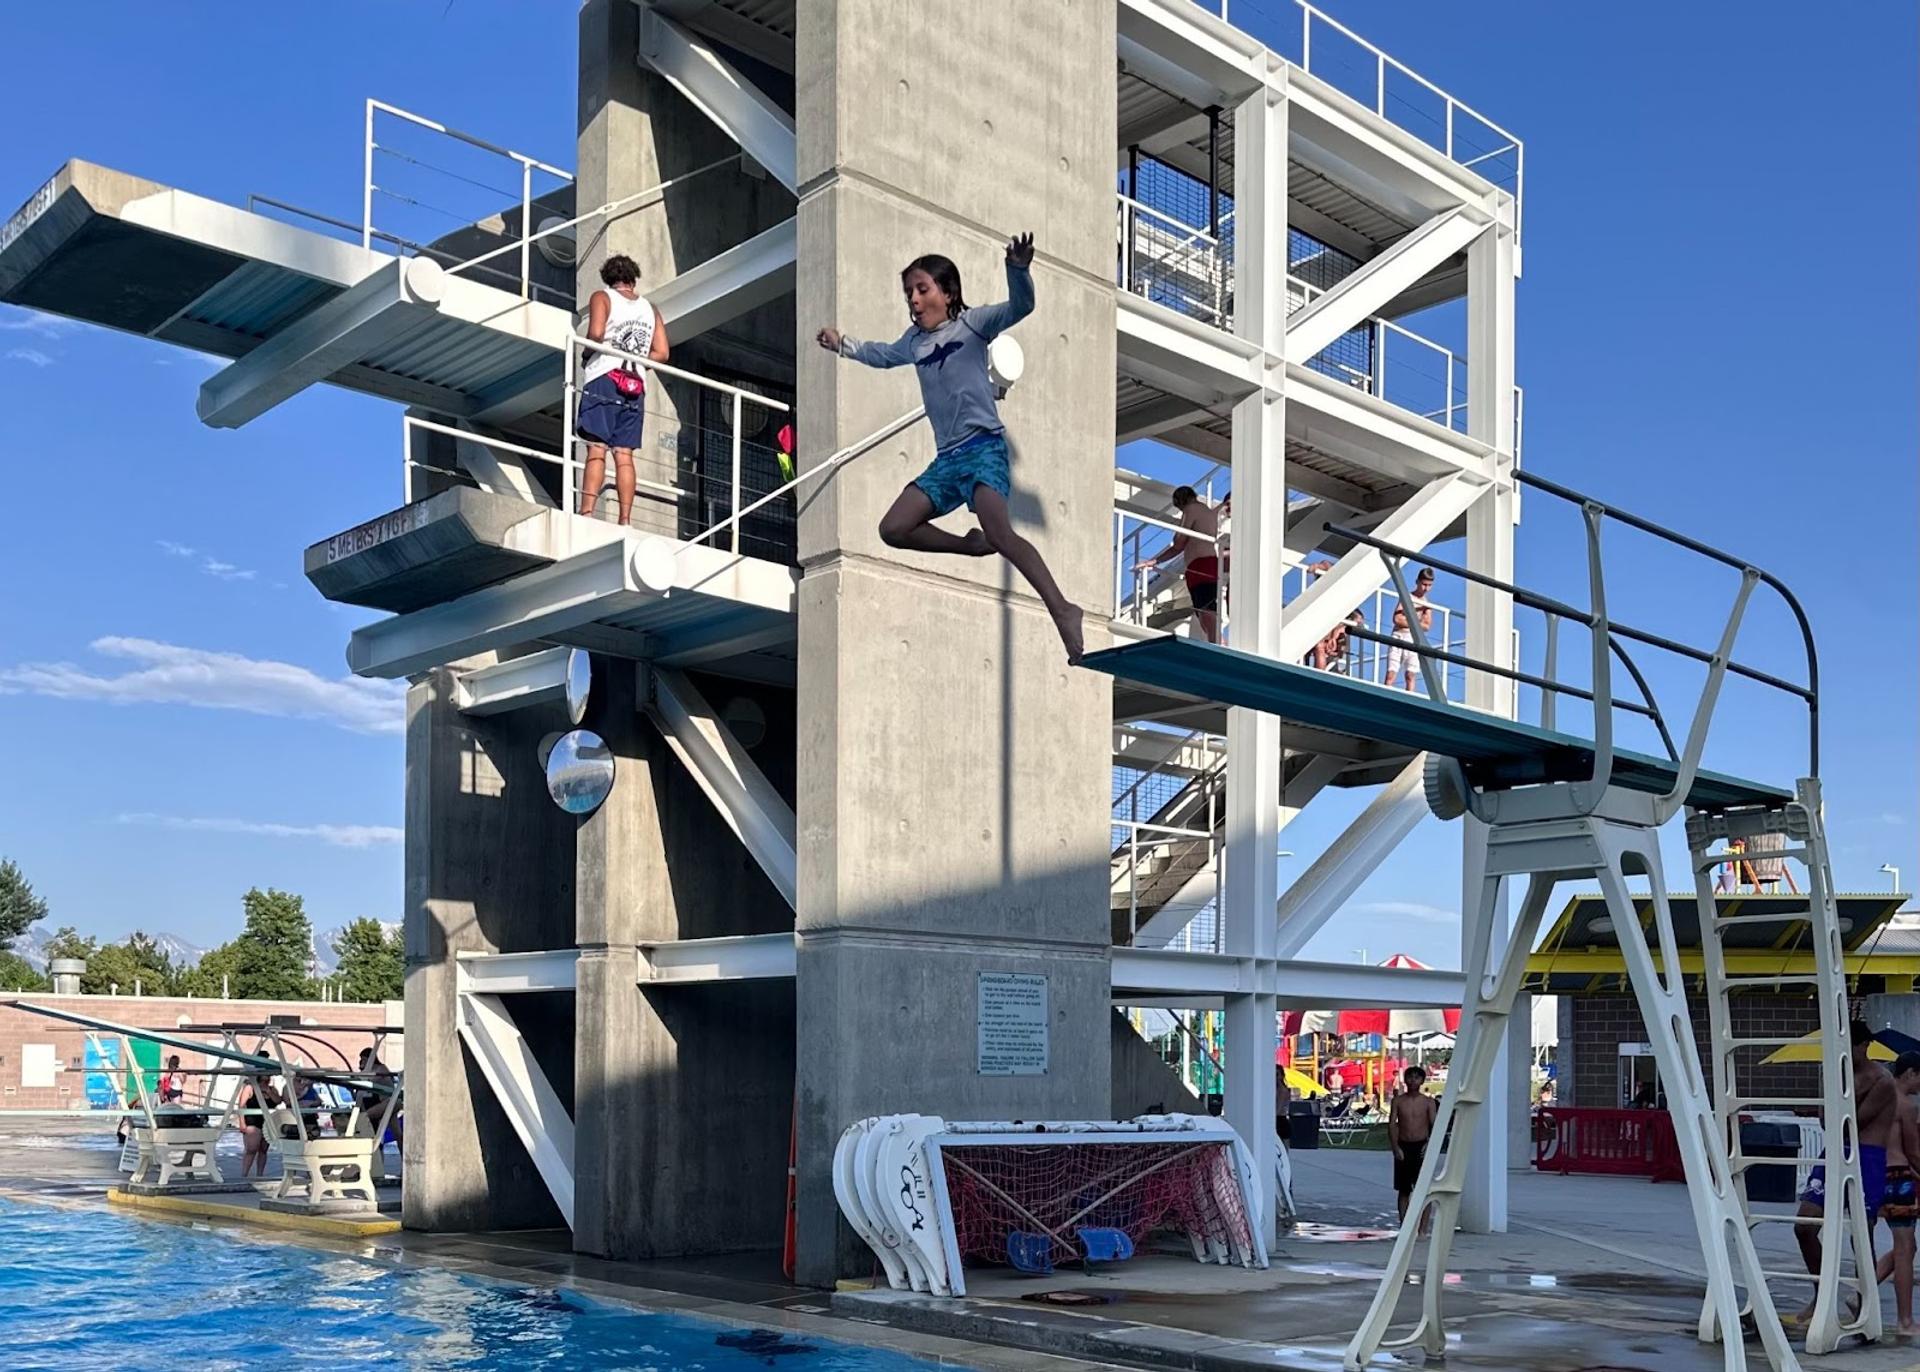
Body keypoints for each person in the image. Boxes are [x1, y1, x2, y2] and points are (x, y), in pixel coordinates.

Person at [817, 233, 1083, 663]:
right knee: (894, 528)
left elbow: (1021, 308)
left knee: (1002, 532)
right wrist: (842, 344)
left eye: (922, 290)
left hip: (983, 448)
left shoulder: (974, 324)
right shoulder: (914, 342)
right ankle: (969, 545)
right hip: (947, 461)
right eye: (909, 293)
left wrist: (1017, 270)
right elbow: (882, 355)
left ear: (948, 292)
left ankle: (1062, 609)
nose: (914, 300)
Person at [1794, 1019, 1899, 1323]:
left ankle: (1864, 1301)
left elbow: (1852, 1122)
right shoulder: (1838, 1074)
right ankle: (1821, 1294)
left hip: (1867, 1155)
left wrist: (1844, 1090)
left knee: (1861, 1232)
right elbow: (1829, 1121)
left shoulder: (1882, 1080)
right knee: (1804, 1225)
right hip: (1837, 1153)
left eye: (1849, 1045)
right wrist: (1836, 1083)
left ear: (1864, 1046)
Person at [575, 253, 669, 526]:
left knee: (596, 448)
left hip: (605, 377)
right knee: (624, 454)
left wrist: (586, 354)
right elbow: (662, 353)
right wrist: (637, 363)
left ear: (608, 278)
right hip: (635, 384)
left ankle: (587, 513)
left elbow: (595, 334)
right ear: (632, 278)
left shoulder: (601, 297)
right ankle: (625, 518)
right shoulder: (650, 309)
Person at [1875, 1052, 1920, 1335]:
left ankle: (1859, 1296)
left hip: (1878, 1174)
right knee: (1905, 1249)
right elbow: (1913, 1151)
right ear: (1911, 1073)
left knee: (1907, 1246)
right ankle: (1905, 1321)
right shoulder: (1905, 1105)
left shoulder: (1876, 1099)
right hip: (1900, 1176)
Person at [1140, 486, 1222, 643]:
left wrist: (1156, 560)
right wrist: (1156, 561)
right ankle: (1215, 640)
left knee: (1205, 609)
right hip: (1206, 563)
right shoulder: (1207, 512)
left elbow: (1178, 543)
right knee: (1204, 608)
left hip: (1200, 565)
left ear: (1181, 501)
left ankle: (1216, 641)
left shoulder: (1191, 509)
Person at [1389, 1066, 1440, 1234]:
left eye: (1416, 1078)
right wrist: (1395, 1147)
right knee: (1404, 1190)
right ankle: (1405, 1227)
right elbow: (1392, 1125)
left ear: (1422, 1081)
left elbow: (1435, 1125)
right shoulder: (1398, 1101)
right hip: (1404, 1146)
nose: (1413, 1081)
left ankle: (1423, 1229)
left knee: (1423, 1190)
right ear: (1405, 1080)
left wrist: (1429, 1146)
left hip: (1421, 1147)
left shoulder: (1428, 1102)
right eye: (1410, 1077)